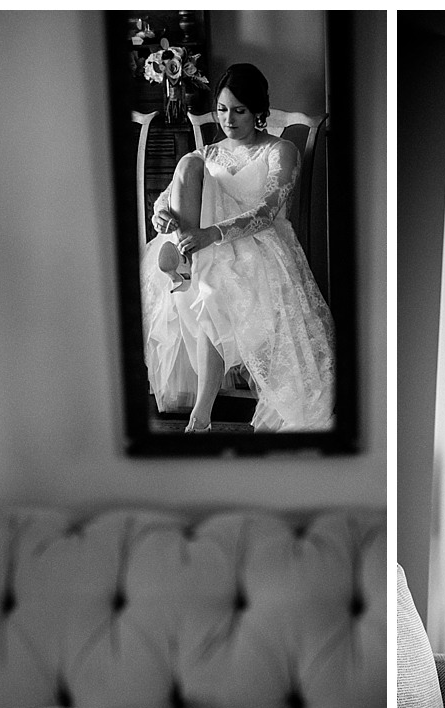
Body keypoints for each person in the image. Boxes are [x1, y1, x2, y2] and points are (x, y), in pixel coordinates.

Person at [142, 62, 335, 434]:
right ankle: (185, 258)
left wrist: (210, 235)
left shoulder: (281, 150)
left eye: (240, 110)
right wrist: (161, 216)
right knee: (188, 166)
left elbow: (266, 213)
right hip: (203, 245)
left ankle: (201, 415)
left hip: (255, 246)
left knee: (212, 287)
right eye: (223, 109)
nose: (228, 119)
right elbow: (166, 199)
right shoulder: (209, 153)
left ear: (259, 112)